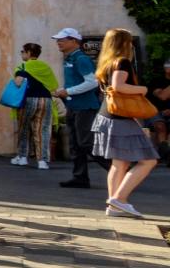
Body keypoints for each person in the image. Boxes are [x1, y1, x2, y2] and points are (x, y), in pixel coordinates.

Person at [93, 27, 157, 218]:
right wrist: (142, 89)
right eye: (129, 41)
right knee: (148, 161)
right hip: (119, 118)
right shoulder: (122, 62)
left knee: (118, 163)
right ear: (123, 43)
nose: (131, 45)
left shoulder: (106, 63)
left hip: (107, 116)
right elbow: (118, 86)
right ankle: (119, 199)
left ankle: (114, 206)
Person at [54, 28, 102, 188]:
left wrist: (67, 91)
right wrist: (64, 91)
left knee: (86, 143)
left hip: (85, 107)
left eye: (62, 39)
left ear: (74, 41)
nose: (58, 42)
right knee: (76, 144)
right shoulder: (70, 58)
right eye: (58, 40)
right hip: (74, 106)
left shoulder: (80, 59)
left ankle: (119, 171)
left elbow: (92, 82)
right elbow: (76, 82)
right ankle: (80, 177)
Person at [10, 42, 59, 169]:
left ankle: (22, 157)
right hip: (46, 100)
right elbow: (53, 86)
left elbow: (18, 83)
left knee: (24, 128)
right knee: (43, 129)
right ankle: (42, 161)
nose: (21, 54)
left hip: (28, 100)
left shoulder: (23, 66)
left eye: (22, 52)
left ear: (28, 53)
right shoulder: (45, 67)